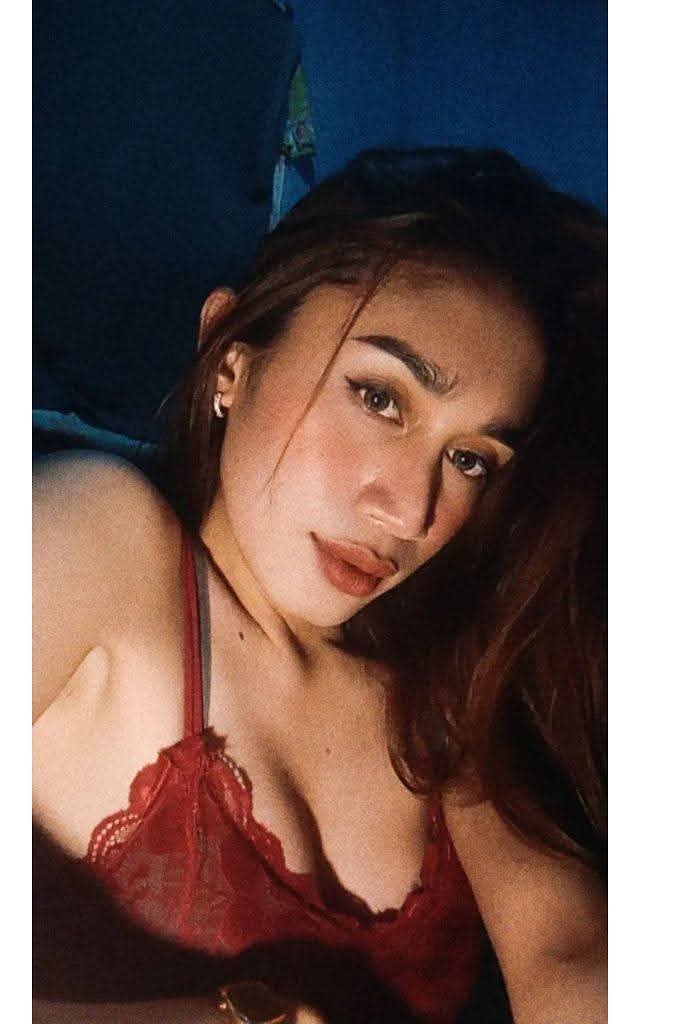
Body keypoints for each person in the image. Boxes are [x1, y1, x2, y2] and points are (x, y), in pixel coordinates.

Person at [33, 148, 606, 1023]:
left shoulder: (436, 703)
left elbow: (568, 952)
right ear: (231, 356)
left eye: (469, 459)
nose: (410, 510)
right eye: (380, 398)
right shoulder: (107, 543)